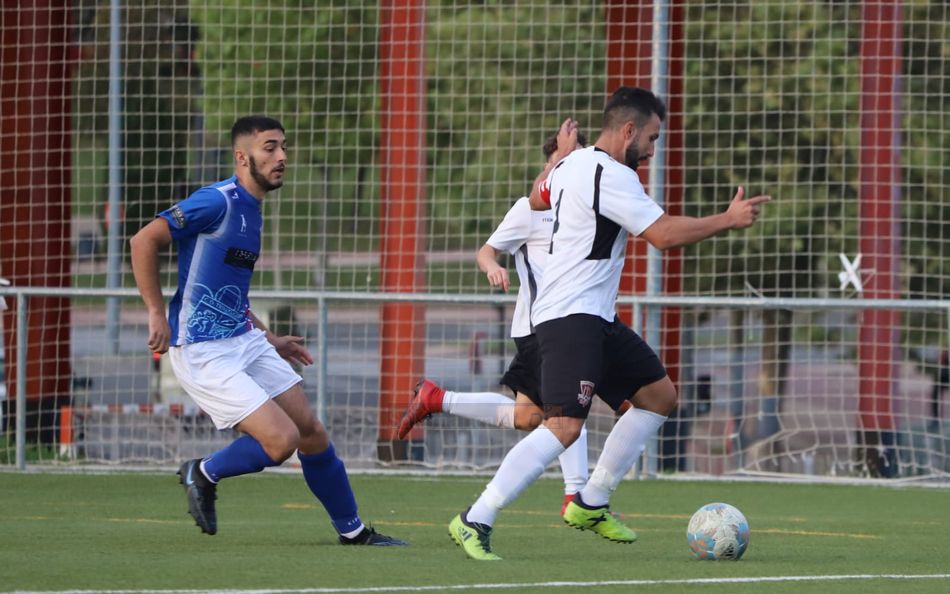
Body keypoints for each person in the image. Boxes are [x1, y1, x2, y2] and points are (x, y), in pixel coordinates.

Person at [448, 87, 770, 560]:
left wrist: (557, 160)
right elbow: (660, 236)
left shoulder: (568, 167)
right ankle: (476, 518)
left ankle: (591, 500)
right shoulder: (612, 174)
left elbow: (538, 199)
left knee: (659, 396)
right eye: (652, 139)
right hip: (569, 318)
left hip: (594, 316)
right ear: (628, 131)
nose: (653, 150)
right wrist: (727, 218)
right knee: (561, 428)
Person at [130, 115, 406, 546]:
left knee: (311, 432)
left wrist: (269, 337)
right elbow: (143, 240)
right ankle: (202, 472)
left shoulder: (252, 209)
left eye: (283, 148)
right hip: (204, 350)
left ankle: (353, 532)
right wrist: (155, 313)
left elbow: (231, 293)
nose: (282, 157)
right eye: (270, 148)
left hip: (244, 340)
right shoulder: (216, 201)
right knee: (281, 442)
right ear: (243, 157)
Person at [397, 129, 631, 516]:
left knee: (528, 417)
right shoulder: (529, 208)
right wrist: (493, 267)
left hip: (568, 321)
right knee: (572, 404)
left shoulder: (588, 205)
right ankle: (576, 494)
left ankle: (436, 398)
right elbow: (486, 251)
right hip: (544, 325)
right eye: (563, 157)